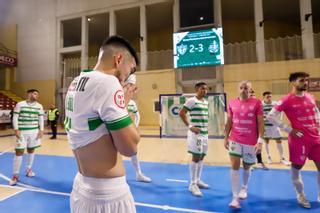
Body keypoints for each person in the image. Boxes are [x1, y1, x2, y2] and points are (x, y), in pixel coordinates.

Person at [65, 35, 140, 213]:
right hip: (107, 196)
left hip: (81, 188)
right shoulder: (108, 82)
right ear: (119, 58)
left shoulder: (76, 81)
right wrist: (125, 104)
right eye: (131, 68)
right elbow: (130, 148)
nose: (130, 76)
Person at [267, 72, 320, 209]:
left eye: (306, 80)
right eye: (302, 80)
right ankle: (300, 194)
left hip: (315, 138)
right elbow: (271, 116)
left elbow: (316, 112)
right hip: (299, 140)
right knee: (296, 168)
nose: (305, 83)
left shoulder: (310, 96)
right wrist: (289, 129)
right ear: (293, 83)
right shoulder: (286, 100)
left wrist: (318, 126)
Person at [224, 81, 264, 208]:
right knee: (234, 166)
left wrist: (260, 141)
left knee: (247, 166)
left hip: (250, 141)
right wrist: (226, 137)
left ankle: (244, 187)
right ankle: (235, 198)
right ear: (238, 89)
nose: (243, 90)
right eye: (241, 88)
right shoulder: (231, 102)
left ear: (250, 90)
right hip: (235, 139)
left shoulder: (257, 103)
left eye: (246, 88)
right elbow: (229, 122)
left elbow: (260, 123)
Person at [179, 82, 210, 197]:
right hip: (195, 134)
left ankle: (197, 180)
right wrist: (191, 127)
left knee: (202, 156)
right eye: (202, 89)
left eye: (206, 89)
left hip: (204, 134)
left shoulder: (205, 102)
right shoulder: (192, 100)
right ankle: (192, 184)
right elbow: (182, 113)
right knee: (196, 157)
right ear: (196, 89)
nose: (205, 91)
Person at [9, 89, 44, 185]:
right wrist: (16, 129)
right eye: (35, 93)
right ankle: (15, 175)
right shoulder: (20, 104)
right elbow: (15, 117)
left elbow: (41, 118)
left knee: (31, 151)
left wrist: (41, 130)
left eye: (37, 94)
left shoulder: (39, 106)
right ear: (29, 94)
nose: (37, 96)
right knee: (19, 152)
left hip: (34, 132)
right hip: (22, 133)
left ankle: (28, 170)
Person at [125, 74, 151, 183]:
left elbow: (137, 115)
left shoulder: (132, 103)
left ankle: (138, 173)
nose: (134, 90)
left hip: (127, 130)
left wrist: (135, 126)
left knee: (133, 151)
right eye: (132, 86)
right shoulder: (117, 100)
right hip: (116, 131)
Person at [262, 91, 290, 165]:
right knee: (266, 141)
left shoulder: (275, 104)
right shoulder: (261, 104)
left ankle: (282, 158)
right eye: (267, 97)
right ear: (264, 97)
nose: (269, 98)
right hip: (265, 126)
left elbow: (281, 112)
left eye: (270, 96)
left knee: (279, 140)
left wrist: (278, 122)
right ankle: (268, 157)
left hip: (274, 126)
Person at [249, 89, 268, 170]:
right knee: (249, 146)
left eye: (253, 94)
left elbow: (261, 116)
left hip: (257, 127)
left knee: (259, 145)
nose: (252, 96)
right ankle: (249, 163)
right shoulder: (244, 104)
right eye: (251, 94)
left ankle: (259, 161)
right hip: (248, 128)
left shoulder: (258, 103)